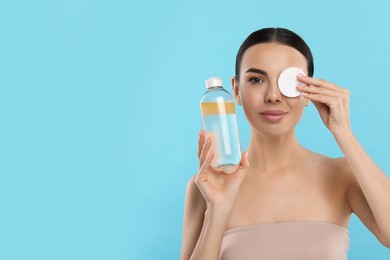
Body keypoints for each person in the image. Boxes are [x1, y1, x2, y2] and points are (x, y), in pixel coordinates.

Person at [180, 28, 390, 260]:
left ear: (308, 91)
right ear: (237, 90)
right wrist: (217, 211)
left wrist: (343, 133)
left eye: (288, 81)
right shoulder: (207, 186)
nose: (273, 95)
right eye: (257, 80)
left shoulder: (343, 175)